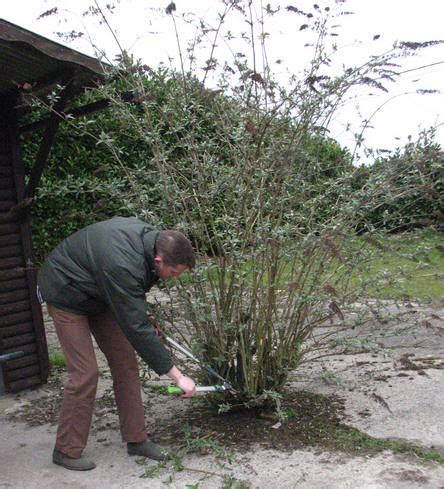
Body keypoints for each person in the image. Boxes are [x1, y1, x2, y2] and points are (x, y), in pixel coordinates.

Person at [37, 216, 197, 471]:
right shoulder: (124, 263)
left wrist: (142, 321)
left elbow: (133, 307)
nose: (173, 278)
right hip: (65, 291)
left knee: (125, 361)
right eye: (173, 272)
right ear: (159, 260)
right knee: (85, 373)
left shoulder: (151, 243)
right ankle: (66, 449)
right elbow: (136, 326)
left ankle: (137, 440)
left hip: (101, 292)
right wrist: (178, 377)